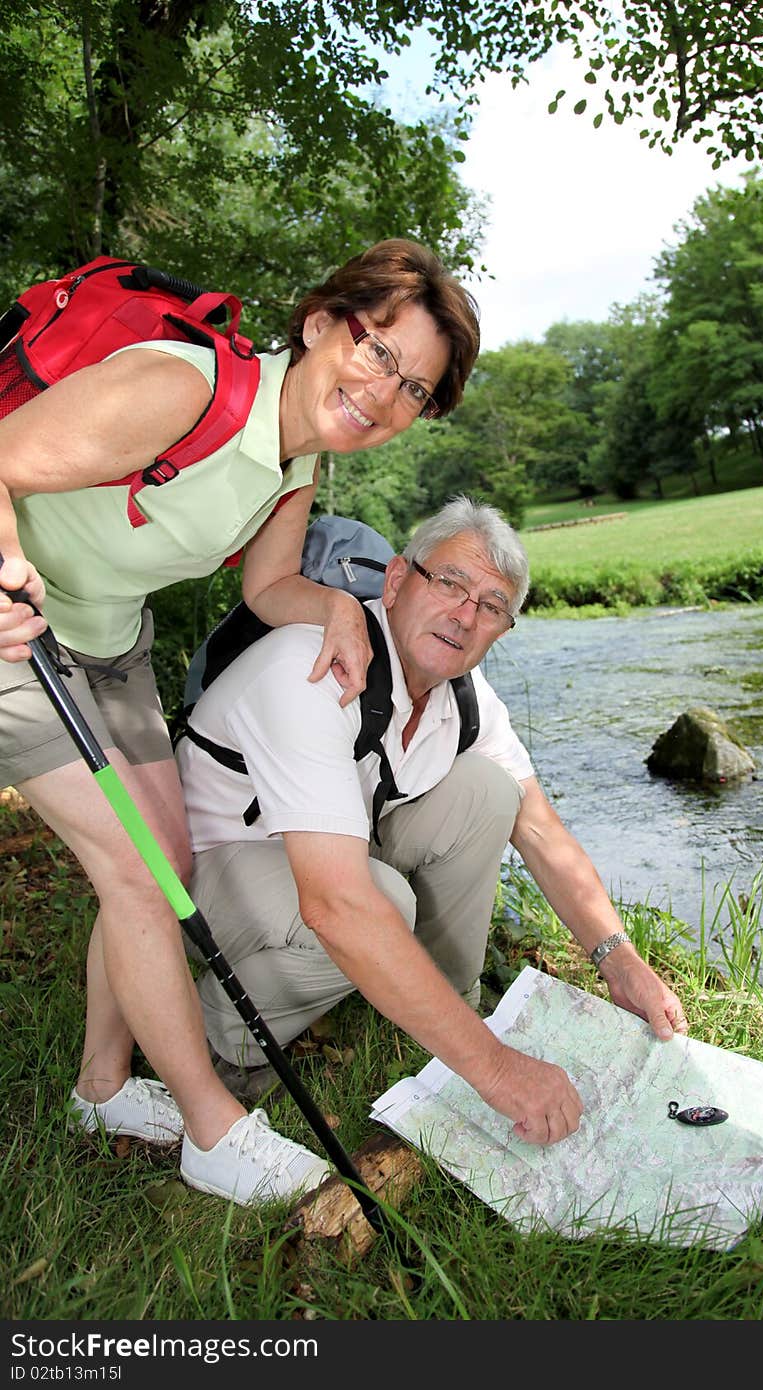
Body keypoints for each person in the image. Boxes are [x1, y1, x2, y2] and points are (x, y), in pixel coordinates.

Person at [0, 240, 480, 1205]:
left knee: (165, 864)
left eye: (415, 389)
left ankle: (101, 1089)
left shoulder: (295, 467)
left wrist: (340, 608)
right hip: (16, 628)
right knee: (136, 871)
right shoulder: (185, 389)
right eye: (380, 352)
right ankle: (213, 1130)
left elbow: (269, 589)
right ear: (320, 325)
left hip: (107, 641)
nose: (386, 394)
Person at [177, 496, 689, 1167]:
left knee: (488, 792)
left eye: (492, 605)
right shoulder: (314, 662)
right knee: (380, 901)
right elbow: (338, 905)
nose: (465, 613)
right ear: (396, 581)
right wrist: (499, 1071)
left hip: (321, 848)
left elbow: (544, 836)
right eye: (450, 583)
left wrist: (620, 962)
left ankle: (447, 1016)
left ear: (501, 631)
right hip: (207, 875)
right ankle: (228, 1041)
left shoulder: (467, 698)